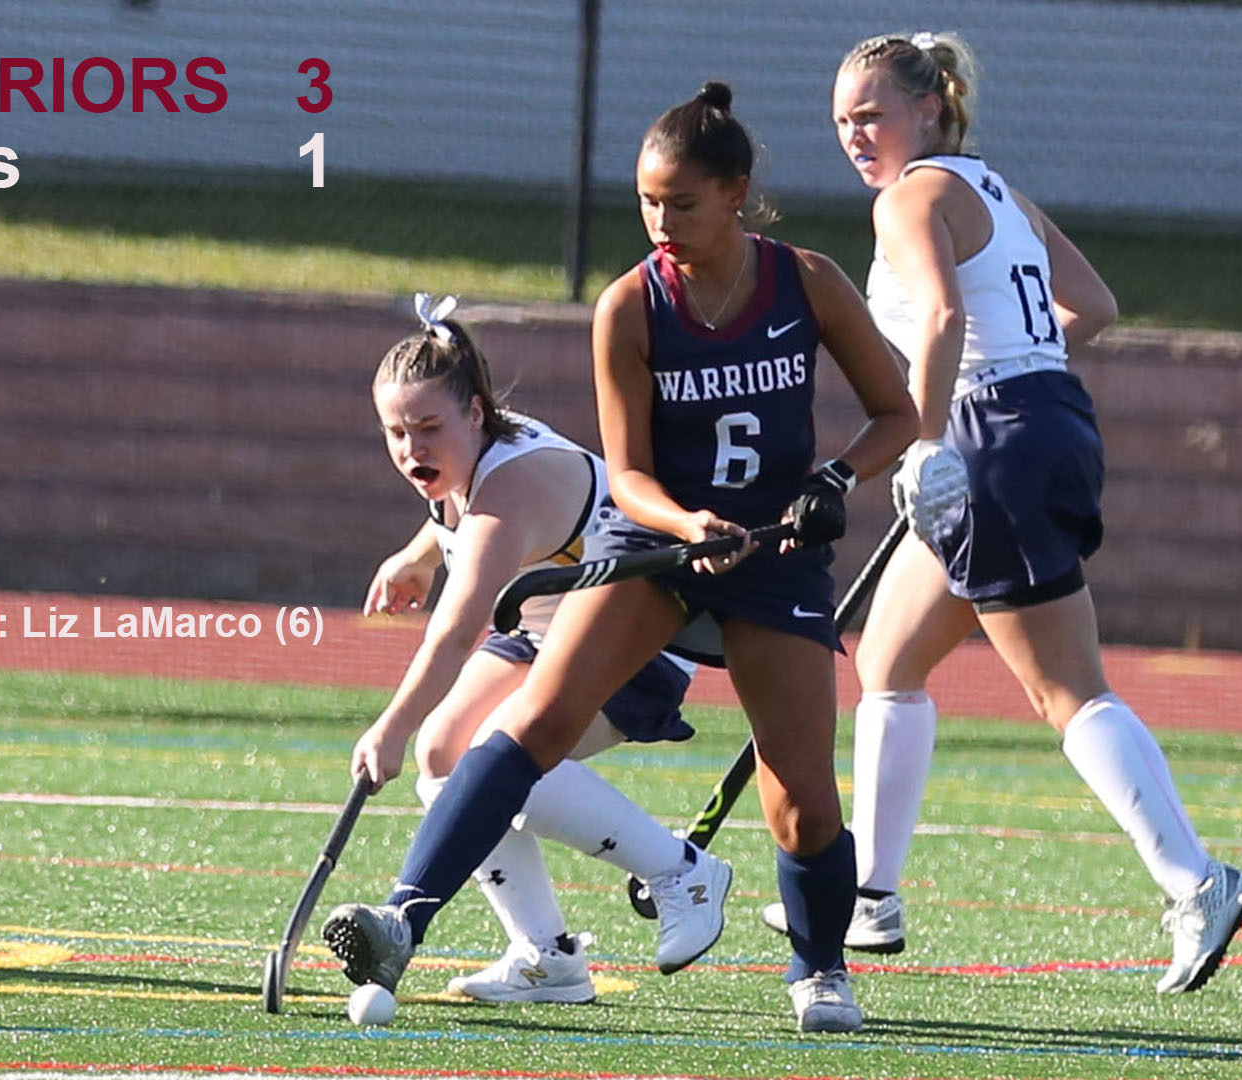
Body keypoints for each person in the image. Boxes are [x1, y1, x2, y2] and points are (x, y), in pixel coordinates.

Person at [323, 83, 919, 1034]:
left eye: (682, 203)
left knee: (800, 790)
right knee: (530, 724)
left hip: (776, 556)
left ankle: (820, 969)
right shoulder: (630, 307)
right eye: (648, 202)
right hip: (656, 547)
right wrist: (687, 527)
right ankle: (404, 917)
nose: (662, 223)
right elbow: (629, 474)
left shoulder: (806, 279)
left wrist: (837, 479)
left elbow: (901, 412)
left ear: (737, 192)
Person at [758, 31, 1242, 994]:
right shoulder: (999, 192)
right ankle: (869, 892)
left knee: (1067, 689)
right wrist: (1017, 378)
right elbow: (1095, 305)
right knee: (888, 660)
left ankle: (1197, 882)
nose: (855, 136)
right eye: (840, 122)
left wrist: (927, 441)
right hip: (1038, 421)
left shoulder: (909, 198)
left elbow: (944, 320)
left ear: (931, 109)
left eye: (872, 115)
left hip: (988, 436)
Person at [353, 292, 731, 1004]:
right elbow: (448, 519)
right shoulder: (460, 456)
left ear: (476, 411)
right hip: (547, 629)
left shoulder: (511, 488)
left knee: (491, 753)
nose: (411, 450)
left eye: (428, 428)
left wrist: (388, 726)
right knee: (445, 753)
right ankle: (547, 957)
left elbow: (458, 629)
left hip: (641, 636)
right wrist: (417, 557)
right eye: (395, 432)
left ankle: (681, 871)